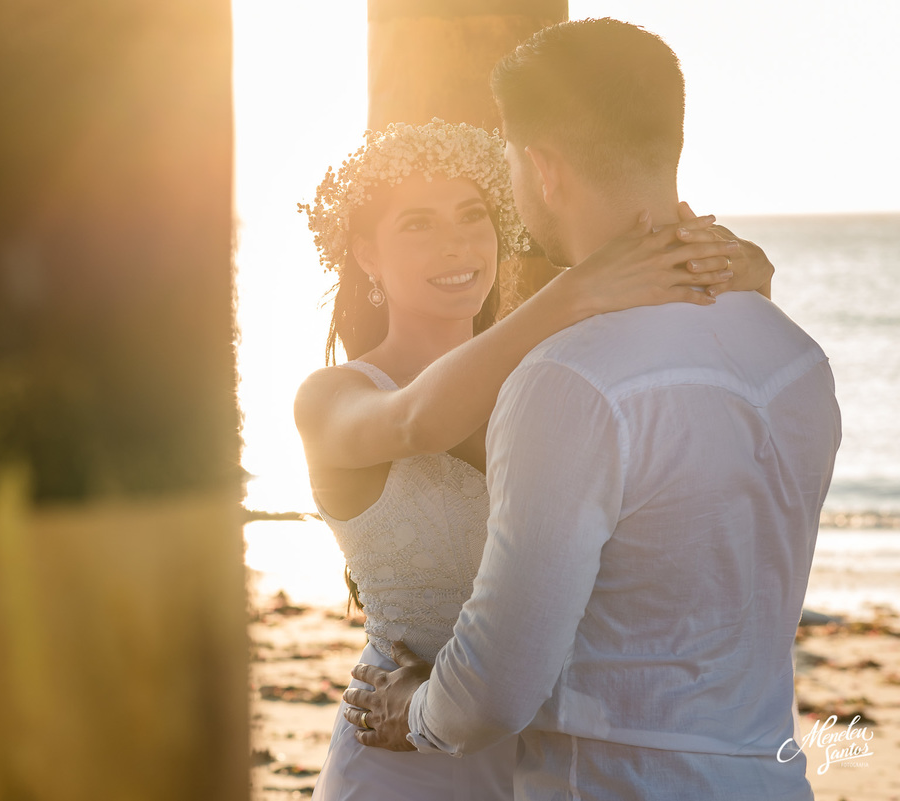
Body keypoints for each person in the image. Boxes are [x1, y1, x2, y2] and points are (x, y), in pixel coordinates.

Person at [344, 19, 841, 801]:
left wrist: (414, 713)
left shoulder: (569, 379)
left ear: (540, 168)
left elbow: (498, 686)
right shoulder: (797, 358)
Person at [295, 115, 774, 799]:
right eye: (418, 224)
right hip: (403, 754)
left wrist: (740, 268)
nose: (456, 242)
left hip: (561, 756)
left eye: (472, 215)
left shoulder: (554, 377)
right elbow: (418, 420)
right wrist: (578, 290)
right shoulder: (332, 397)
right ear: (365, 255)